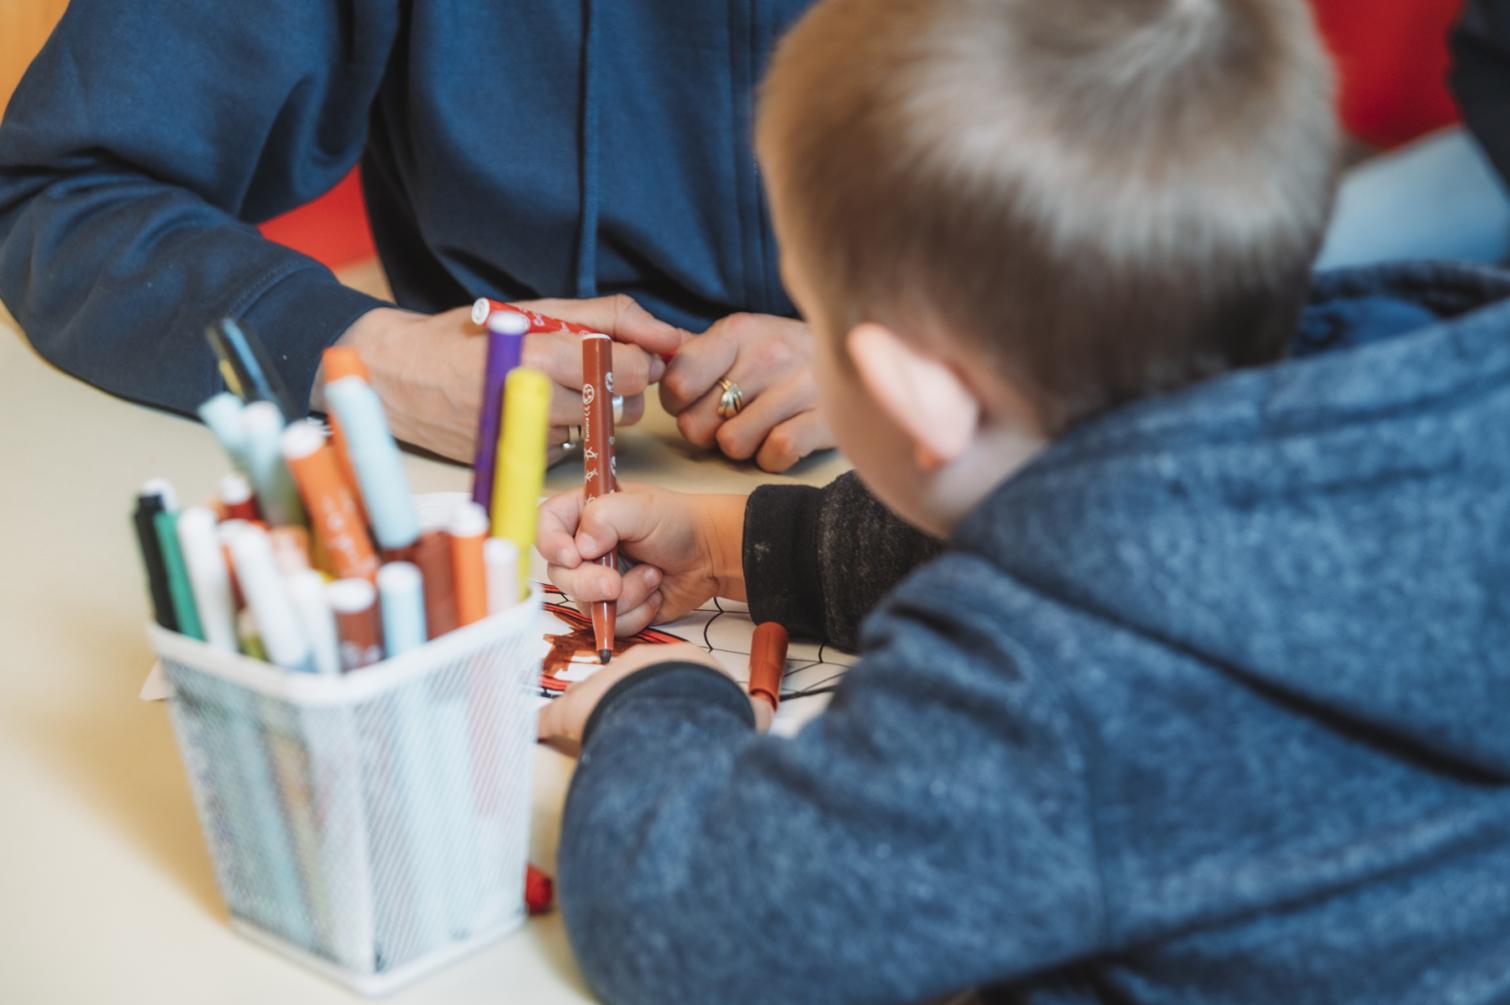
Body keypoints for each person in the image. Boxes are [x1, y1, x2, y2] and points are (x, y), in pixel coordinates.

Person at [536, 0, 1510, 1002]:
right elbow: (1104, 519)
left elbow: (700, 923)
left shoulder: (1054, 682)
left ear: (914, 393)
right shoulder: (1431, 406)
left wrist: (651, 703)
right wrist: (747, 545)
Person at [0, 1, 833, 471]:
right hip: (462, 471)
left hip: (891, 474)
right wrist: (371, 361)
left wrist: (898, 352)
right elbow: (61, 195)